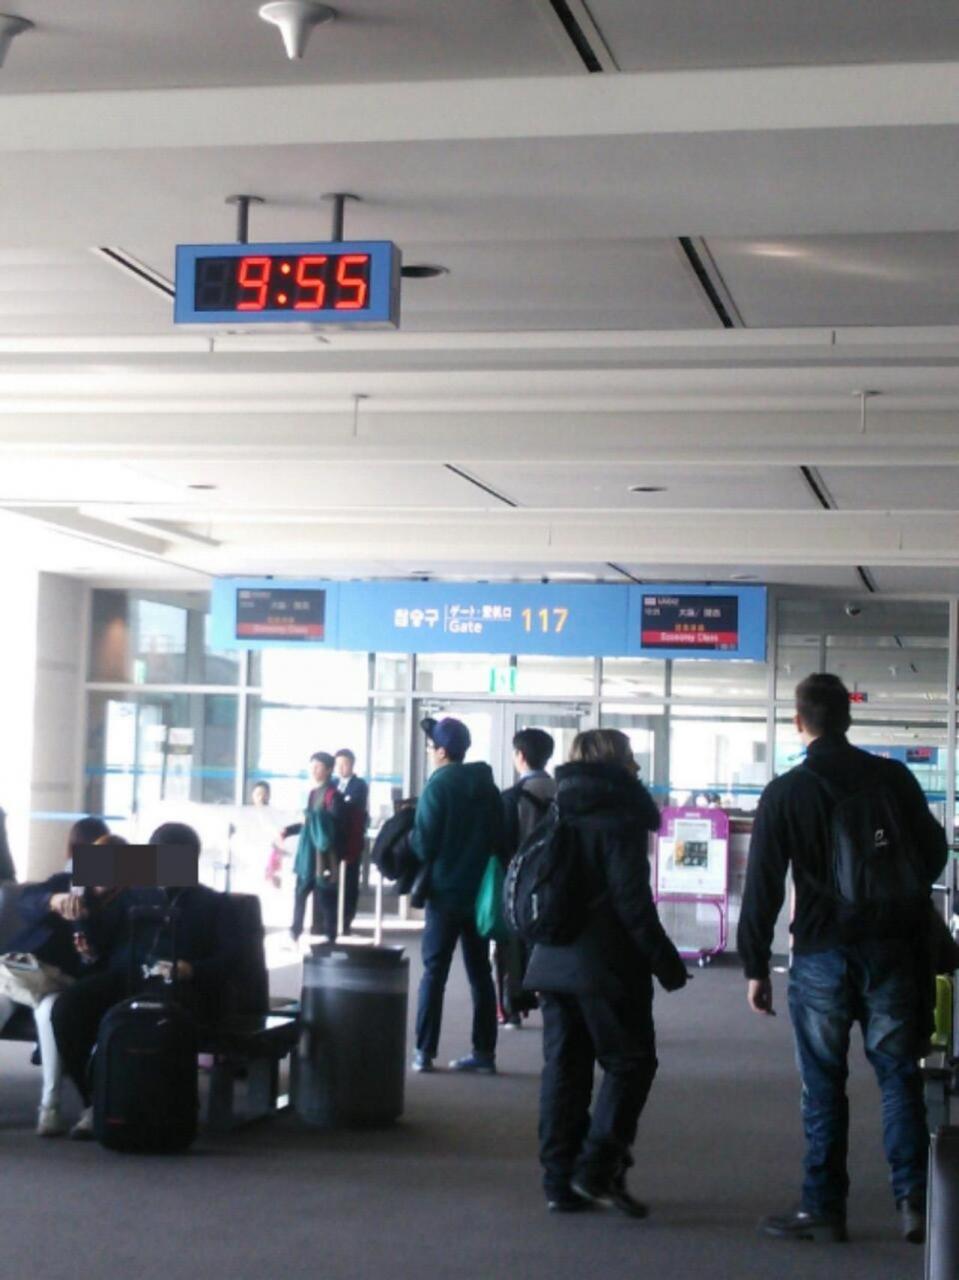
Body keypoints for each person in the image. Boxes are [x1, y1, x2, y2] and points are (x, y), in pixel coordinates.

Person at [738, 673, 948, 1245]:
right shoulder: (893, 778)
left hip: (820, 953)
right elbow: (933, 853)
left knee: (823, 1083)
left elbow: (763, 887)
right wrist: (892, 892)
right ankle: (916, 1203)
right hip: (892, 949)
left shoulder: (786, 792)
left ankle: (824, 1207)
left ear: (799, 722)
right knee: (899, 1075)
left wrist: (755, 965)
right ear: (848, 718)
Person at [524, 729, 688, 1217]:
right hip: (605, 964)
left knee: (565, 1069)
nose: (636, 765)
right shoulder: (619, 818)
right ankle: (595, 1169)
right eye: (630, 757)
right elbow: (631, 903)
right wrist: (666, 962)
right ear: (617, 763)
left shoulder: (558, 811)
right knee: (630, 1062)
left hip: (551, 959)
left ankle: (559, 1181)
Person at [51, 822, 240, 1140]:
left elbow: (231, 959)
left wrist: (191, 969)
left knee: (153, 1016)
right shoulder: (134, 895)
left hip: (180, 988)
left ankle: (153, 1104)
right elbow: (102, 941)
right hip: (125, 978)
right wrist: (87, 940)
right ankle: (97, 1100)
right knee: (67, 1007)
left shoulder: (213, 904)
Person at [0, 816, 109, 1135]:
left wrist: (86, 930)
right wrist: (54, 901)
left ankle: (50, 1106)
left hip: (61, 981)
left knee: (50, 1012)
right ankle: (50, 1107)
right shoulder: (61, 883)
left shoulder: (112, 898)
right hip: (25, 971)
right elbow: (25, 900)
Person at [411, 716, 503, 1074]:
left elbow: (423, 844)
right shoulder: (487, 786)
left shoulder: (438, 786)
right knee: (480, 973)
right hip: (480, 895)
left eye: (431, 745)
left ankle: (424, 1051)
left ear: (442, 752)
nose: (429, 750)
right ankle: (484, 1053)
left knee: (434, 973)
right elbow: (500, 836)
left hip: (444, 893)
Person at [496, 728, 556, 1027]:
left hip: (519, 882)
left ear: (520, 756)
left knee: (512, 944)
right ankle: (553, 1003)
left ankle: (513, 1007)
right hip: (556, 879)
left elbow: (502, 845)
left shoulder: (512, 797)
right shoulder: (564, 793)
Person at [280, 752, 344, 943]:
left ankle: (330, 935)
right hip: (308, 853)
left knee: (325, 896)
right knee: (300, 893)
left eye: (318, 766)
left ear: (329, 770)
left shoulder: (334, 795)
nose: (314, 770)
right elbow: (308, 824)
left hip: (323, 855)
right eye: (312, 766)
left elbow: (333, 825)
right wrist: (288, 830)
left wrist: (312, 816)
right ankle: (295, 931)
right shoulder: (313, 794)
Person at [334, 748, 370, 934]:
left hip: (351, 841)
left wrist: (338, 804)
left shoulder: (359, 785)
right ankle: (333, 920)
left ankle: (347, 920)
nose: (341, 768)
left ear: (352, 765)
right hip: (333, 842)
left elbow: (350, 806)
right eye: (338, 764)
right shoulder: (332, 783)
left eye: (345, 764)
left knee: (350, 882)